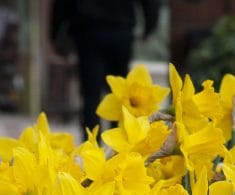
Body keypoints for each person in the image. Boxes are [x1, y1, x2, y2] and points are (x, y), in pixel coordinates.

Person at [50, 0, 160, 138]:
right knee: (121, 93)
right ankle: (117, 145)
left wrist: (56, 33)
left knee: (91, 93)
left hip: (89, 30)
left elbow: (61, 4)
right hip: (121, 29)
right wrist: (150, 25)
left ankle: (91, 144)